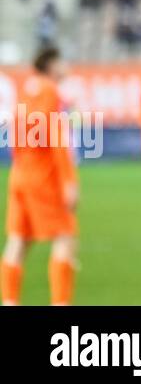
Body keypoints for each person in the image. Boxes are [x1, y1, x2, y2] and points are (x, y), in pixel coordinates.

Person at [2, 48, 78, 306]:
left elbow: (15, 135)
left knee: (18, 240)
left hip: (20, 173)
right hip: (44, 176)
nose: (65, 65)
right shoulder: (50, 90)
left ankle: (9, 302)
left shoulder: (25, 90)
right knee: (65, 236)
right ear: (51, 65)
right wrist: (69, 180)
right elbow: (55, 137)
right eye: (61, 61)